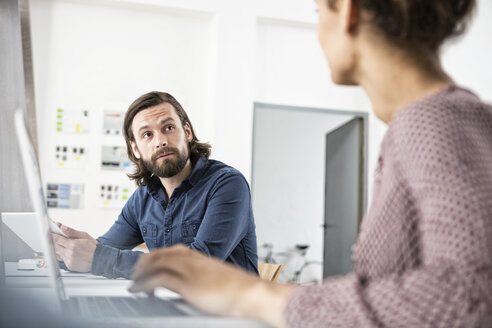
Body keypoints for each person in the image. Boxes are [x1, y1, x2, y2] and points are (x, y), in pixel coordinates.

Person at [129, 0, 492, 327]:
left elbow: (470, 296)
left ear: (346, 11)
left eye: (319, 11)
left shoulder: (434, 121)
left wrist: (253, 295)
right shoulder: (419, 125)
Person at [52, 92, 258, 279]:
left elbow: (200, 264)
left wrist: (100, 257)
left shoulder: (227, 184)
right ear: (136, 149)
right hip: (174, 310)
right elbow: (103, 248)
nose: (160, 141)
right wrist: (65, 252)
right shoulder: (142, 199)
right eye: (147, 135)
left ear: (187, 132)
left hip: (228, 316)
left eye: (168, 128)